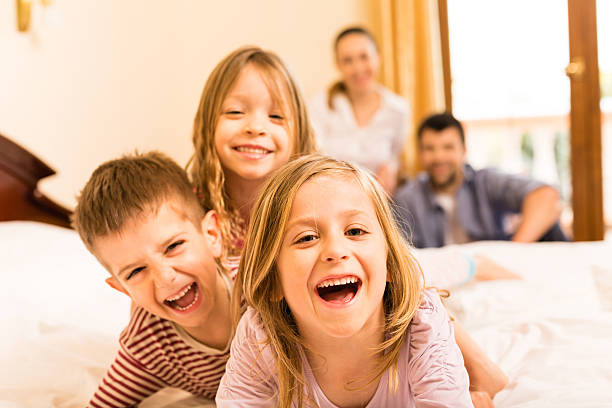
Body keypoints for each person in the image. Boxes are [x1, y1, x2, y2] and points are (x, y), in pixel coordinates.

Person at [188, 46, 507, 407]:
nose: (255, 127)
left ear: (299, 131)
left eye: (276, 116)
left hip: (366, 309)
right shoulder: (193, 211)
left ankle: (472, 274)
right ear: (206, 123)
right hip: (286, 330)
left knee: (413, 283)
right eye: (235, 111)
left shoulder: (322, 190)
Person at [216, 155, 473, 407]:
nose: (336, 250)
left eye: (355, 231)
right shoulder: (261, 336)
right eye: (306, 238)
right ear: (274, 281)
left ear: (390, 264)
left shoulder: (422, 324)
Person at [72, 152, 232, 406]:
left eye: (173, 246)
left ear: (211, 234)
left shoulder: (263, 285)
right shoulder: (148, 346)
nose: (164, 278)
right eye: (135, 272)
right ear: (122, 289)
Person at [394, 112, 567, 248]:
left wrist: (514, 251)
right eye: (429, 149)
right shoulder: (406, 198)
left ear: (463, 150)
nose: (439, 157)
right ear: (420, 154)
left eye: (448, 147)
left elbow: (547, 196)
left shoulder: (486, 181)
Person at [309, 26, 409, 194]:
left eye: (364, 57)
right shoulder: (319, 106)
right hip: (330, 197)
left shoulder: (398, 110)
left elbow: (394, 157)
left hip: (379, 200)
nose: (358, 68)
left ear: (378, 57)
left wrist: (392, 169)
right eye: (348, 60)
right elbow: (314, 161)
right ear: (338, 65)